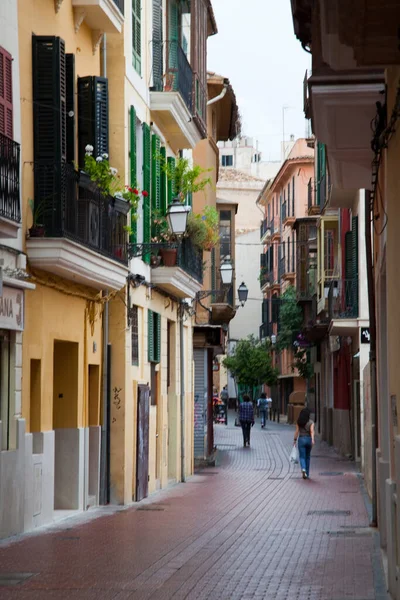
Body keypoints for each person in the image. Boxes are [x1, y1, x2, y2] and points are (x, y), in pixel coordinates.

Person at [293, 407, 315, 479]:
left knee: (302, 456)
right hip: (309, 439)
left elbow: (296, 432)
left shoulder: (299, 422)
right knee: (308, 456)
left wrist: (295, 440)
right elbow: (312, 431)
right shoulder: (311, 422)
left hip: (301, 439)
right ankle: (307, 474)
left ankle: (303, 469)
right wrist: (312, 439)